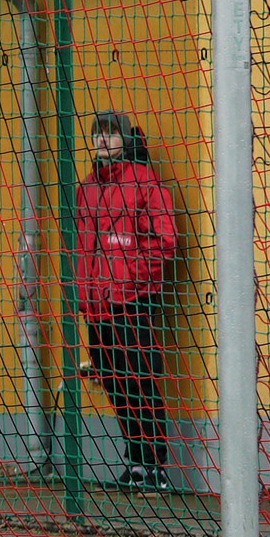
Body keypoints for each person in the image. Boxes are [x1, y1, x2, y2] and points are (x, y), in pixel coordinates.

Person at [75, 110, 177, 490]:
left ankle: (156, 465)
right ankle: (135, 460)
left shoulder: (146, 183)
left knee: (141, 381)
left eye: (111, 133)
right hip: (97, 306)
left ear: (125, 139)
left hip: (132, 302)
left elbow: (166, 241)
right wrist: (84, 291)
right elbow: (81, 248)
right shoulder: (85, 188)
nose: (103, 139)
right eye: (98, 133)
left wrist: (129, 275)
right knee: (116, 384)